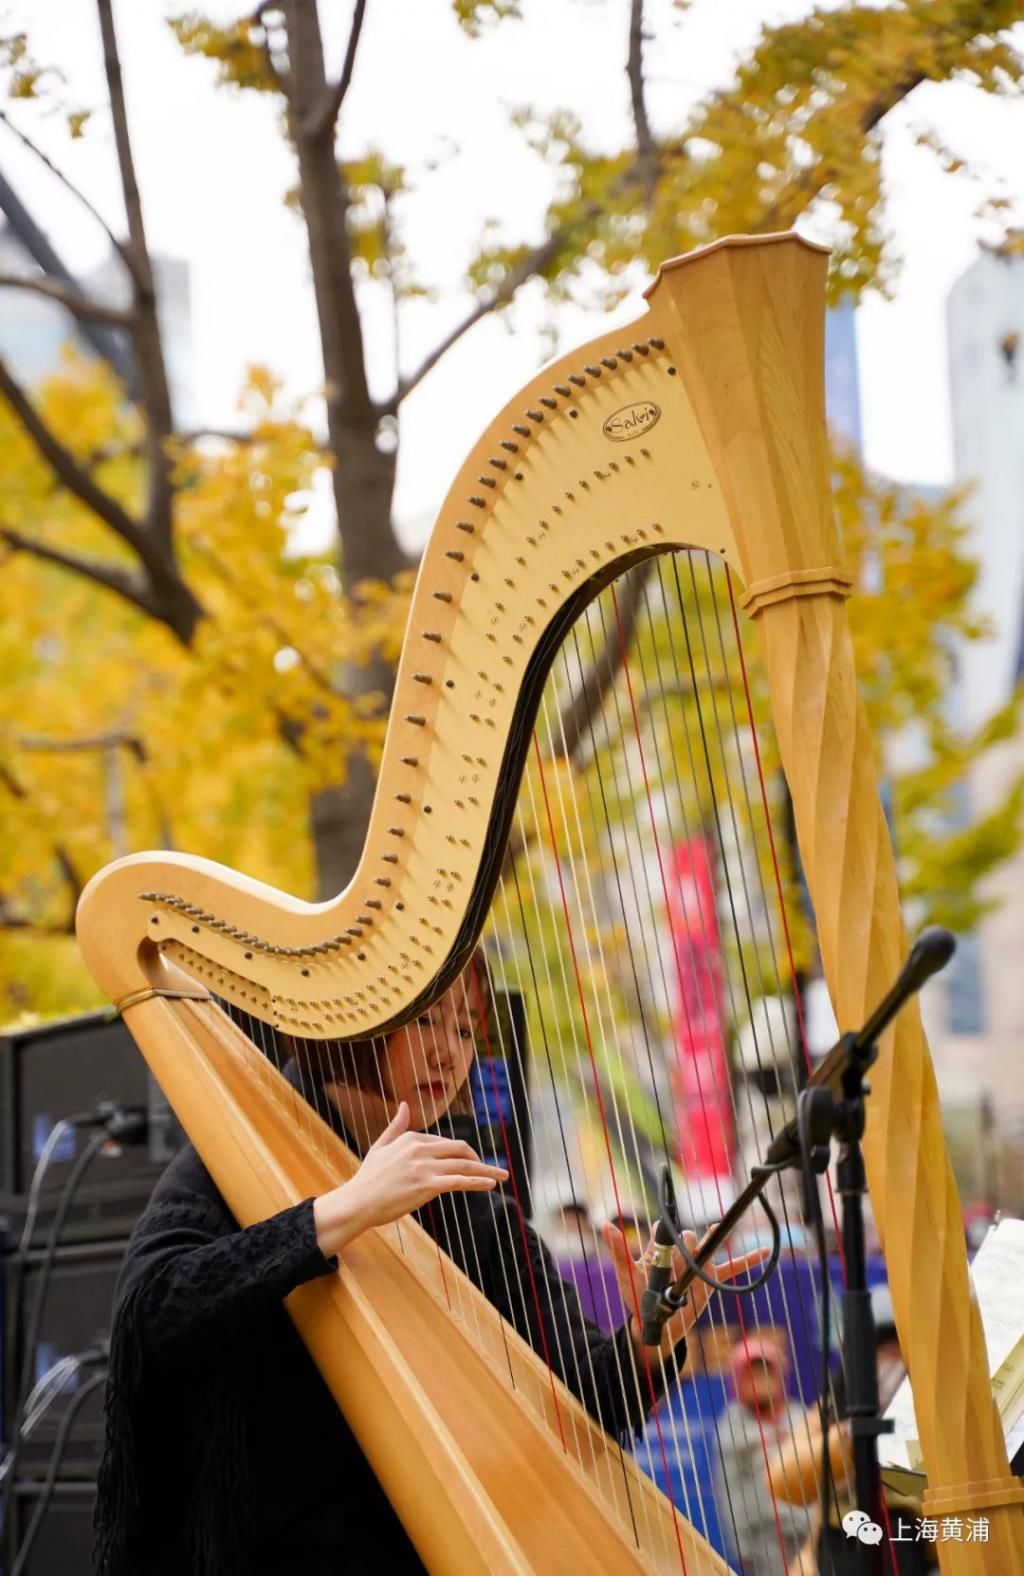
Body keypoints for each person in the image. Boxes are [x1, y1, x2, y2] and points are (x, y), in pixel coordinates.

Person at [94, 963, 766, 1575]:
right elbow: (152, 1310)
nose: (450, 1050)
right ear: (358, 1020)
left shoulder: (463, 1185)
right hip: (252, 1544)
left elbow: (584, 1396)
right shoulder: (234, 1150)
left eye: (466, 1029)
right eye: (424, 1021)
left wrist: (653, 1337)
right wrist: (344, 1209)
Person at [713, 1335, 812, 1576]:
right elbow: (730, 1490)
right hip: (765, 1538)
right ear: (737, 1380)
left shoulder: (802, 1417)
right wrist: (741, 1545)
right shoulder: (732, 1425)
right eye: (751, 1375)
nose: (760, 1381)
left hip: (810, 1531)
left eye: (767, 1373)